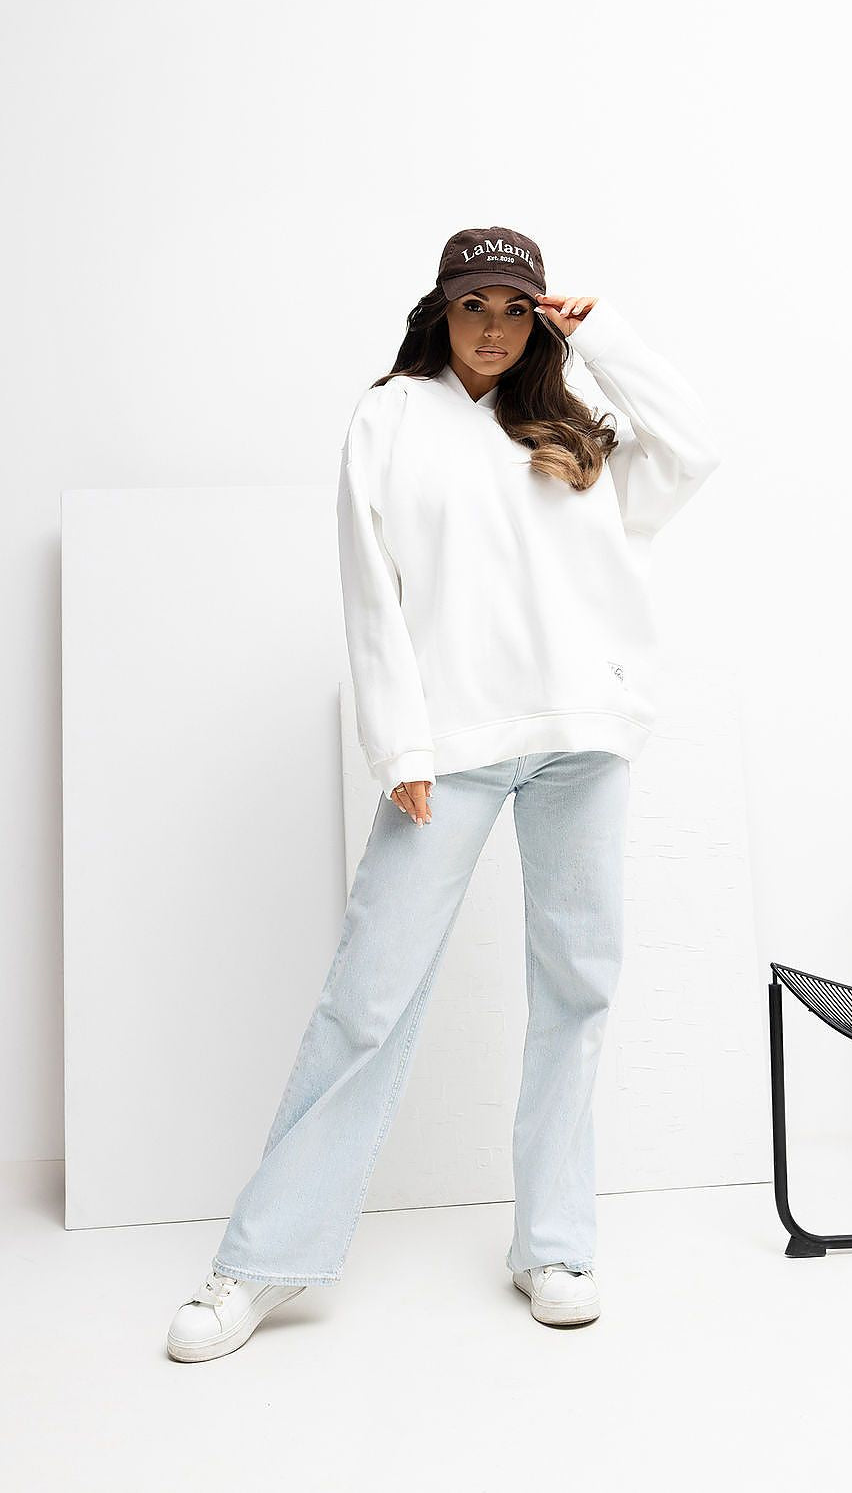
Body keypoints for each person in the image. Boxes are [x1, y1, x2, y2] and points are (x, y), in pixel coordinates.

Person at [166, 224, 722, 1361]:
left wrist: (606, 337)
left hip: (582, 736)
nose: (494, 328)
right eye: (475, 306)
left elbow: (695, 449)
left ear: (539, 320)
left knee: (577, 991)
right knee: (368, 998)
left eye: (516, 308)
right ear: (441, 311)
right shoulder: (391, 418)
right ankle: (262, 1262)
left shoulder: (575, 425)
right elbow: (367, 584)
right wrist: (399, 746)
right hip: (449, 748)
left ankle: (554, 1245)